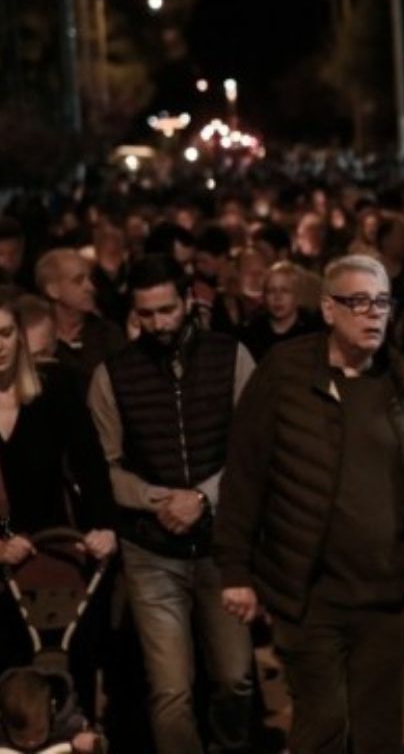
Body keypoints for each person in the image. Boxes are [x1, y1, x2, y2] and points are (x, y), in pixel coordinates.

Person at [215, 254, 404, 754]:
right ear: (328, 309)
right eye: (359, 302)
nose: (373, 314)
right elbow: (245, 472)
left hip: (386, 594)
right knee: (323, 724)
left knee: (378, 733)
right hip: (309, 591)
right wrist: (235, 569)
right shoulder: (285, 373)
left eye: (382, 302)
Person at [87, 257, 256, 754]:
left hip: (223, 547)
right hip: (151, 550)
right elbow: (104, 467)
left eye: (167, 310)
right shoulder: (113, 374)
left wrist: (202, 498)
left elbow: (254, 449)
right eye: (146, 314)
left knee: (235, 678)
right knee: (170, 690)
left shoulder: (231, 356)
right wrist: (159, 499)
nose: (158, 324)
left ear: (188, 301)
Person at [0, 299, 117, 715]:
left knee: (68, 681)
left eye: (6, 334)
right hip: (2, 564)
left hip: (53, 558)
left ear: (20, 337)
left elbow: (91, 464)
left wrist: (104, 526)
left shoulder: (54, 388)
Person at [34, 250, 125, 393]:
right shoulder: (37, 340)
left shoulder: (109, 334)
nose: (91, 288)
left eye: (90, 279)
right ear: (53, 290)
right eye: (78, 281)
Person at [0, 668, 102, 753]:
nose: (31, 743)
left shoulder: (69, 725)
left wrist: (89, 741)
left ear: (51, 712)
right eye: (20, 737)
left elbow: (98, 741)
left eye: (39, 732)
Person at [238, 261, 322, 362]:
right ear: (264, 296)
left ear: (297, 295)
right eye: (271, 291)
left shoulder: (313, 330)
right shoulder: (252, 332)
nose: (278, 298)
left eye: (285, 290)